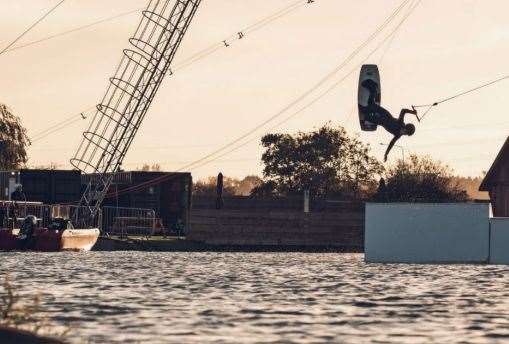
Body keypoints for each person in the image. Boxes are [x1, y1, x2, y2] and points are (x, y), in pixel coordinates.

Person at [360, 79, 419, 161]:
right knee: (366, 110)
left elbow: (391, 143)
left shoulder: (398, 135)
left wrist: (386, 154)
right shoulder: (401, 123)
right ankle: (373, 88)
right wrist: (412, 112)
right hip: (384, 114)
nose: (404, 133)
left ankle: (373, 88)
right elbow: (403, 111)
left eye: (405, 134)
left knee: (369, 107)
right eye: (405, 132)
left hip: (380, 120)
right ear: (405, 128)